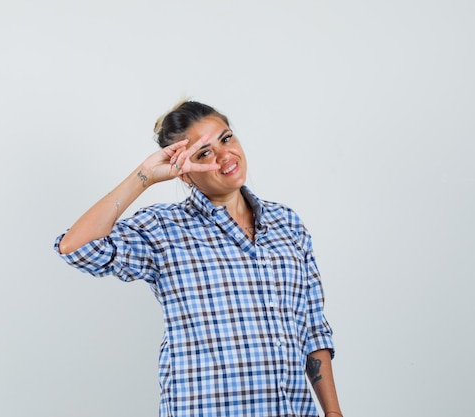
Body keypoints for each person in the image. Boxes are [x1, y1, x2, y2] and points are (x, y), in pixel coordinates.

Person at [54, 101, 343, 417]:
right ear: (185, 174)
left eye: (226, 138)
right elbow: (77, 248)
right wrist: (145, 176)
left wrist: (332, 412)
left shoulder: (287, 224)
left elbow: (312, 327)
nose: (224, 156)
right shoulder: (164, 229)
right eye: (203, 153)